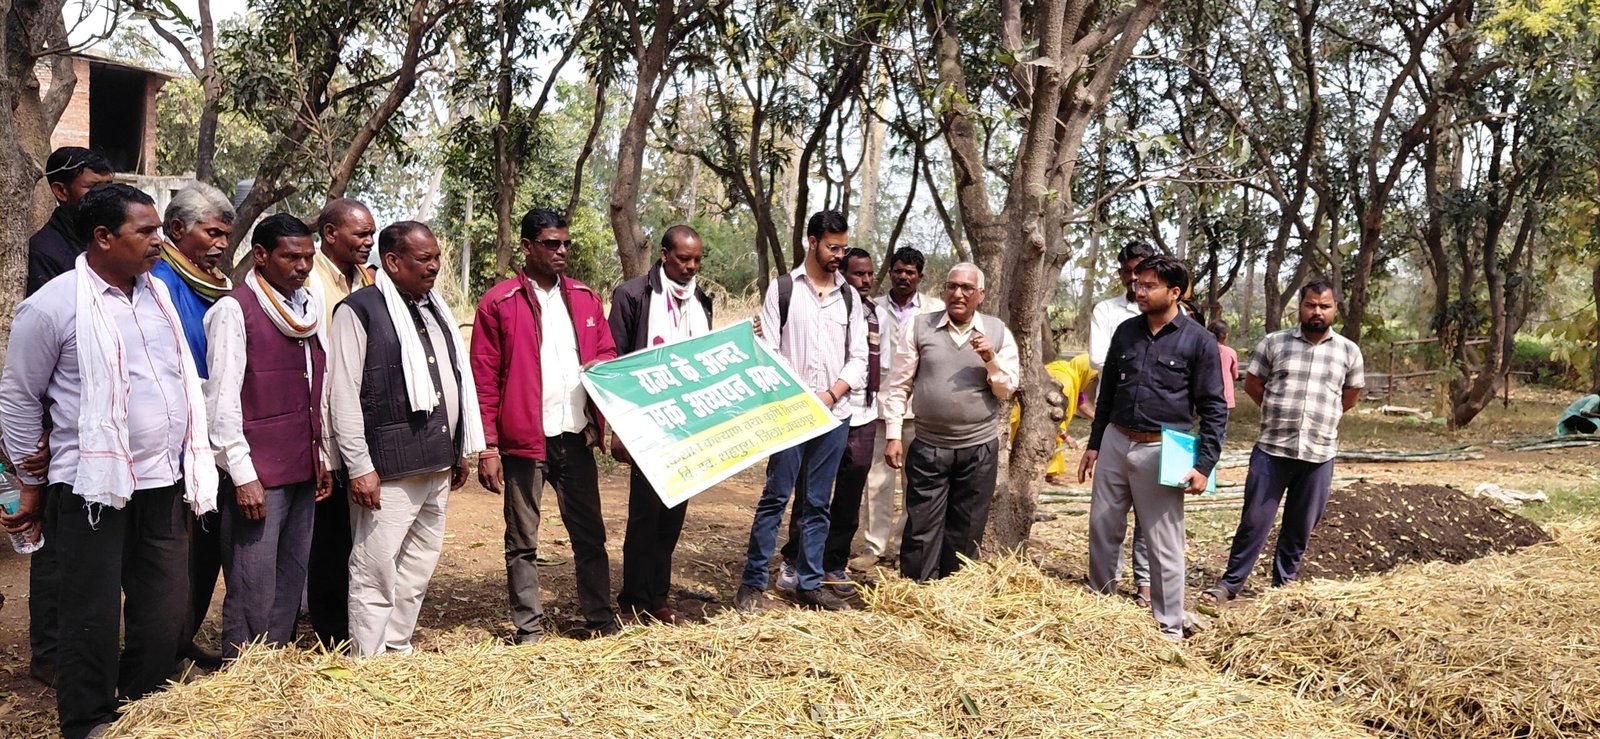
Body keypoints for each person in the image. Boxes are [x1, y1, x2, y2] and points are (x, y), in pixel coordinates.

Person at [0, 183, 217, 739]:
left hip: (164, 483)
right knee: (91, 616)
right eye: (144, 231)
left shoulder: (160, 296)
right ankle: (89, 720)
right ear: (102, 237)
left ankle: (145, 708)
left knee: (165, 612)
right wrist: (29, 481)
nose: (157, 241)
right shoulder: (52, 306)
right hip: (91, 489)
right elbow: (19, 399)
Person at [329, 221, 484, 657]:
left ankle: (397, 645)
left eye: (437, 257)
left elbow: (452, 379)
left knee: (417, 565)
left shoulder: (435, 308)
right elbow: (341, 396)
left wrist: (459, 449)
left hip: (436, 460)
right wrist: (359, 466)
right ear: (393, 262)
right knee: (375, 567)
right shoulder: (357, 311)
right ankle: (368, 656)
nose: (435, 266)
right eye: (424, 259)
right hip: (388, 468)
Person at [471, 207, 618, 641]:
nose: (562, 251)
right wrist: (488, 448)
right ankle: (529, 629)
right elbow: (484, 379)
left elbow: (608, 353)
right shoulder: (499, 302)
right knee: (522, 540)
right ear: (527, 246)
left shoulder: (586, 298)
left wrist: (602, 365)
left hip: (575, 436)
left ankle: (601, 620)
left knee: (589, 535)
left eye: (566, 243)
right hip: (523, 443)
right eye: (552, 243)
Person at [203, 214, 334, 658]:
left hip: (302, 462)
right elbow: (221, 403)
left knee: (291, 573)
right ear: (260, 256)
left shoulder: (309, 311)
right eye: (290, 256)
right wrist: (242, 475)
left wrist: (324, 458)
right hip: (258, 471)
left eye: (308, 257)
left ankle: (273, 663)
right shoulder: (233, 311)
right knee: (251, 578)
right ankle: (242, 669)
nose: (302, 266)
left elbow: (318, 389)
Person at [1079, 255, 1227, 641]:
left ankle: (1168, 629)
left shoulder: (1199, 341)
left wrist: (1205, 464)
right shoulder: (1126, 332)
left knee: (1164, 543)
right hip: (1115, 440)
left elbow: (1214, 408)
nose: (1138, 290)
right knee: (1102, 527)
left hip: (1164, 450)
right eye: (1137, 284)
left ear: (1174, 292)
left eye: (1148, 286)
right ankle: (1100, 607)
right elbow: (1108, 390)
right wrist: (1095, 444)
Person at [734, 210, 867, 613]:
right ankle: (752, 583)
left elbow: (859, 358)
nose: (839, 255)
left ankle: (808, 583)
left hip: (834, 412)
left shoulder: (849, 297)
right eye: (832, 247)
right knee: (775, 496)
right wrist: (799, 397)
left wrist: (830, 395)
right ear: (812, 241)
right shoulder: (783, 290)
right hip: (788, 413)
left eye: (843, 247)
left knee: (817, 502)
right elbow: (769, 351)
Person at [1203, 281, 1363, 604]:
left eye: (1324, 306)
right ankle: (1230, 584)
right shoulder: (1274, 343)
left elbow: (1350, 396)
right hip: (1272, 451)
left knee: (1299, 527)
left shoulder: (1348, 351)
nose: (1317, 311)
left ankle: (1283, 588)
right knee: (1254, 521)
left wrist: (1321, 418)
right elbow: (1252, 384)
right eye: (1311, 305)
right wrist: (1279, 412)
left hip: (1319, 454)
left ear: (1335, 309)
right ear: (1300, 307)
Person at [19, 147, 112, 688]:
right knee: (53, 543)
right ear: (60, 190)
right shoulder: (48, 251)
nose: (101, 196)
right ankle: (50, 652)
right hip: (62, 420)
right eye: (91, 186)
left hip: (100, 422)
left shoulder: (101, 243)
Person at [882, 263, 1019, 582]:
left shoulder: (996, 332)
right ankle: (918, 593)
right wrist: (893, 435)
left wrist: (990, 358)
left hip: (978, 449)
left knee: (966, 527)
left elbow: (1007, 388)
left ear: (981, 295)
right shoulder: (919, 327)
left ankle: (954, 594)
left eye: (967, 288)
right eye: (951, 286)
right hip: (929, 446)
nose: (958, 294)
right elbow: (899, 384)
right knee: (921, 527)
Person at [148, 181, 236, 669]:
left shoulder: (215, 282)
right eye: (213, 232)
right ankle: (162, 654)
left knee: (204, 551)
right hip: (177, 439)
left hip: (211, 438)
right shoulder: (160, 282)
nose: (222, 244)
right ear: (177, 229)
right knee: (175, 555)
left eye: (227, 234)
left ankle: (182, 640)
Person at [607, 225, 712, 624]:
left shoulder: (702, 300)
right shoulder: (633, 295)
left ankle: (659, 599)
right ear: (665, 255)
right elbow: (616, 363)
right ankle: (632, 600)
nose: (690, 266)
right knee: (645, 515)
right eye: (684, 258)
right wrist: (619, 428)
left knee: (673, 513)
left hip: (688, 426)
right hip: (646, 424)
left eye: (697, 260)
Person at [775, 247, 887, 595]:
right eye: (857, 274)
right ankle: (794, 560)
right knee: (811, 494)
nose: (864, 281)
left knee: (849, 496)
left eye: (869, 275)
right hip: (826, 412)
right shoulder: (834, 303)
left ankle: (833, 564)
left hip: (864, 415)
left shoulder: (874, 313)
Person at [305, 197, 377, 650]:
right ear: (330, 234)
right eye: (360, 235)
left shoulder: (366, 279)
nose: (367, 242)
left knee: (357, 533)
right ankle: (330, 631)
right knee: (328, 537)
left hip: (360, 422)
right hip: (322, 424)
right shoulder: (307, 277)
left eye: (371, 235)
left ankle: (355, 624)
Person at [853, 246, 943, 571]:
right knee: (877, 481)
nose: (903, 277)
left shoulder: (934, 311)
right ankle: (873, 547)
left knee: (915, 481)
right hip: (878, 408)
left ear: (920, 276)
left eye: (910, 272)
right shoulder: (871, 309)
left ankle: (906, 547)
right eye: (898, 270)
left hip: (920, 409)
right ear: (890, 272)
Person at [1086, 239, 1157, 607]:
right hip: (1115, 422)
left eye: (1142, 273)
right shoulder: (1107, 311)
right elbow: (1102, 361)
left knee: (1155, 515)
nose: (1135, 280)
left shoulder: (1182, 320)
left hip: (1166, 433)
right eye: (1129, 272)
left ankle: (1148, 585)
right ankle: (1103, 588)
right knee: (1108, 514)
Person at [27, 146, 114, 296]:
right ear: (61, 191)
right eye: (94, 187)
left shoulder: (113, 236)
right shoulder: (44, 252)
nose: (106, 194)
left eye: (109, 185)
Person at [1210, 320, 1240, 409]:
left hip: (1206, 394)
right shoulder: (1231, 352)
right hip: (1225, 396)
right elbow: (1235, 375)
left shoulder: (1203, 350)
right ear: (1225, 335)